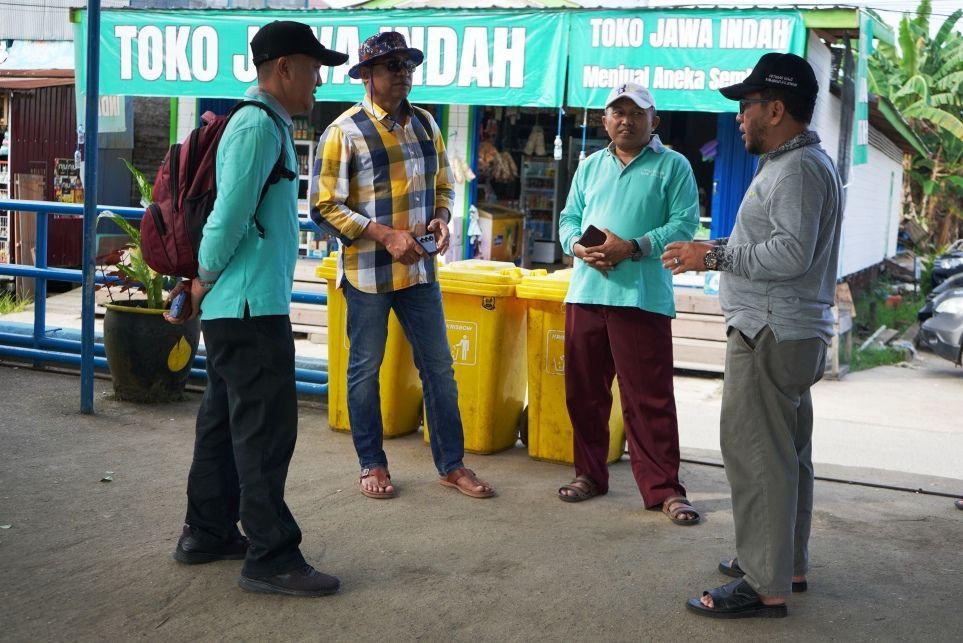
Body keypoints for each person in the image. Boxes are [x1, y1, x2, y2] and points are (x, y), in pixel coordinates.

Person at [166, 21, 349, 597]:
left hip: (239, 306)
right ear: (284, 67)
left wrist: (205, 284)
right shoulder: (257, 126)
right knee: (265, 431)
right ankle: (272, 556)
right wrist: (201, 280)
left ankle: (207, 532)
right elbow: (228, 218)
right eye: (314, 68)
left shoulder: (263, 124)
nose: (319, 81)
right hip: (248, 307)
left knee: (223, 424)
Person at [661, 53, 843, 619]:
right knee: (786, 456)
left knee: (757, 455)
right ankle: (783, 563)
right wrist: (713, 250)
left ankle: (765, 584)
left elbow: (789, 253)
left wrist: (712, 256)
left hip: (770, 330)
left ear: (777, 109)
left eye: (748, 106)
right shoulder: (797, 164)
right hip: (787, 329)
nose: (740, 117)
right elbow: (781, 244)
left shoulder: (797, 170)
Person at [311, 32, 494, 500]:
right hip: (368, 276)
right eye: (392, 66)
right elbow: (324, 207)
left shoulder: (426, 123)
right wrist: (385, 234)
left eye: (408, 65)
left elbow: (444, 185)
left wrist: (442, 216)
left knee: (439, 368)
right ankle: (371, 463)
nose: (403, 74)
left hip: (419, 273)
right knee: (365, 370)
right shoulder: (343, 132)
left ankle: (452, 465)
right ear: (367, 76)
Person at [555, 82, 701, 526]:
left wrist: (633, 247)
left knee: (648, 399)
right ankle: (589, 474)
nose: (626, 121)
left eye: (636, 113)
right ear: (605, 121)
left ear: (654, 120)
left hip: (642, 299)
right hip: (586, 293)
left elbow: (684, 224)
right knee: (584, 394)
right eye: (617, 113)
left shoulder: (673, 165)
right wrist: (579, 248)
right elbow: (569, 219)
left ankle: (665, 489)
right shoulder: (590, 166)